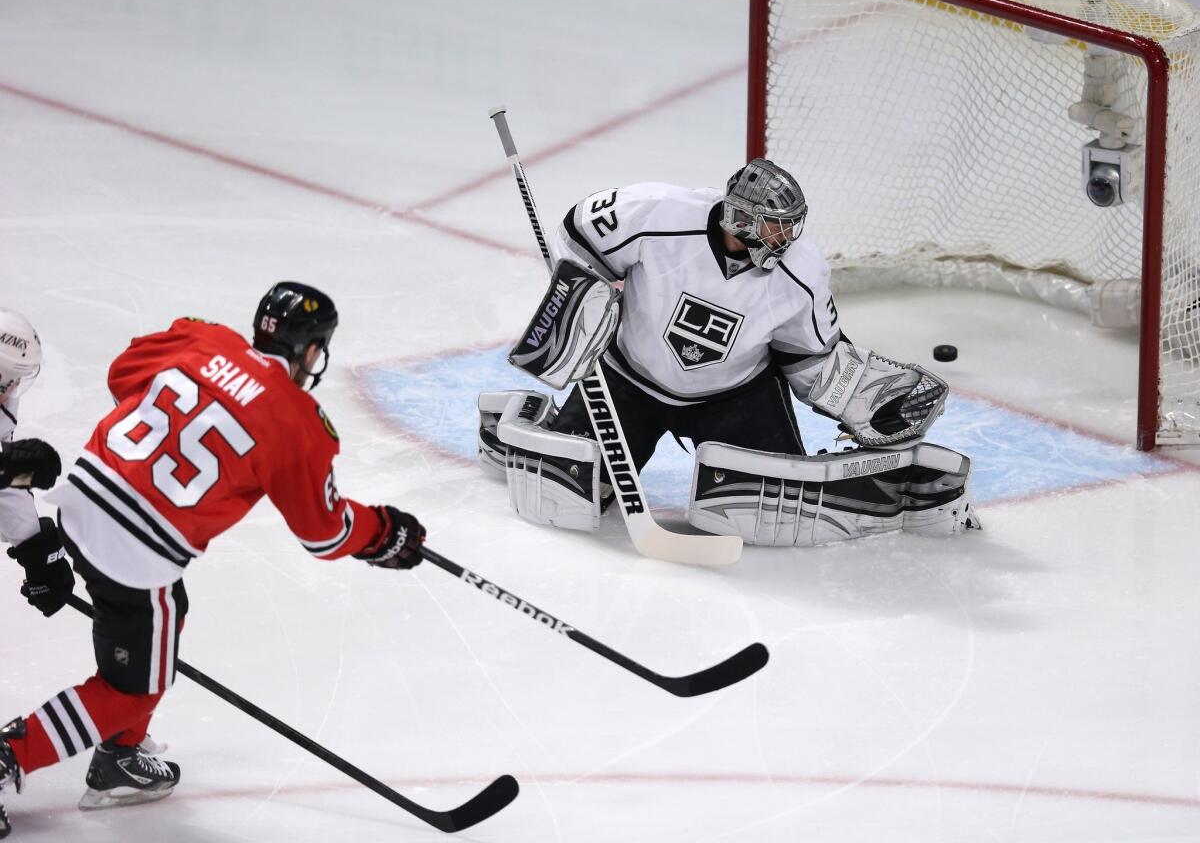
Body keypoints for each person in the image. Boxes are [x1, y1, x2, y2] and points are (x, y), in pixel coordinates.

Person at [0, 283, 426, 838]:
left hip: (81, 499)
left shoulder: (203, 338)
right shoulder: (298, 420)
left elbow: (121, 374)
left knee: (166, 615)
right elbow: (322, 533)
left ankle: (124, 754)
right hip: (135, 552)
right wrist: (383, 533)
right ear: (311, 350)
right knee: (132, 689)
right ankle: (20, 756)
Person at [479, 159, 979, 545]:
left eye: (791, 225)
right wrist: (586, 293)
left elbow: (810, 357)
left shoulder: (802, 272)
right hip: (627, 381)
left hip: (736, 397)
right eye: (775, 226)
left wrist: (868, 396)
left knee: (772, 505)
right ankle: (518, 423)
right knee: (566, 489)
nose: (787, 237)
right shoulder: (657, 214)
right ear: (740, 218)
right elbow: (581, 232)